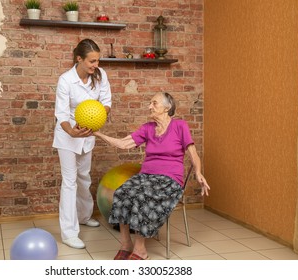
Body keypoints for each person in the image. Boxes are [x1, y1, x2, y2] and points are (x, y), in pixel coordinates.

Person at [93, 92, 210, 260]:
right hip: (146, 177)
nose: (149, 106)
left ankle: (140, 249)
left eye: (154, 103)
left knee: (143, 197)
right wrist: (97, 134)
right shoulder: (147, 128)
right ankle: (126, 244)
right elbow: (124, 143)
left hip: (170, 180)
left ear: (167, 108)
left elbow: (193, 154)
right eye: (150, 103)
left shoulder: (180, 126)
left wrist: (198, 172)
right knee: (122, 192)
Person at [53, 39, 112, 249]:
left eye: (97, 60)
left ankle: (84, 216)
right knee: (69, 182)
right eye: (92, 61)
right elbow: (61, 113)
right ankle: (69, 233)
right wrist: (72, 131)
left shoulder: (100, 75)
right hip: (68, 136)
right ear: (79, 58)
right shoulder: (65, 80)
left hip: (88, 134)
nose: (96, 65)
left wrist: (96, 116)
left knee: (84, 177)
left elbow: (106, 102)